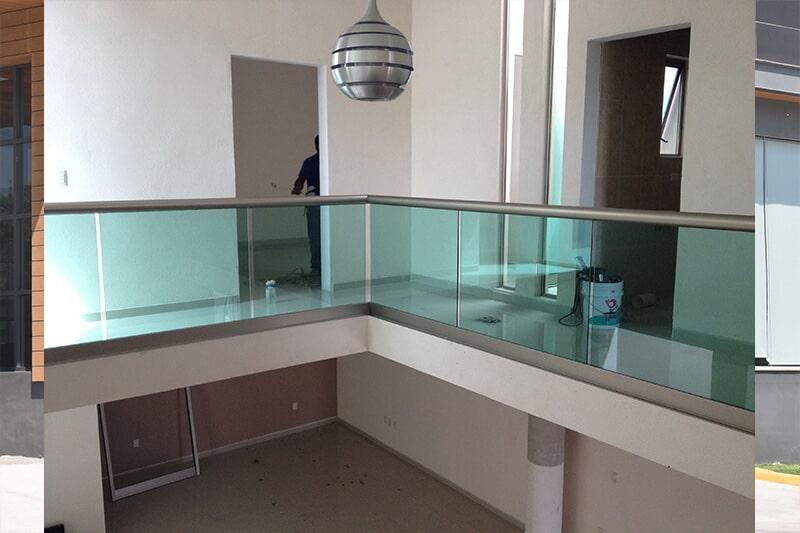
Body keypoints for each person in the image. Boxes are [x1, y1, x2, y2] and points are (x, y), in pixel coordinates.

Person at [291, 135, 321, 277]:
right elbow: (300, 179)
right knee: (315, 236)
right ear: (315, 146)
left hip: (332, 204)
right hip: (314, 204)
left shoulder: (331, 161)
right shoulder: (309, 162)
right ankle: (316, 267)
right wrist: (297, 187)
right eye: (318, 145)